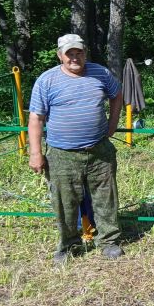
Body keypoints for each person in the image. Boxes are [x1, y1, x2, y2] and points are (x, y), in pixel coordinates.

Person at [28, 34, 125, 265]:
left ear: (85, 52)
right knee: (64, 202)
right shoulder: (47, 80)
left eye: (78, 52)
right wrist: (35, 153)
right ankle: (68, 246)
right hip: (62, 154)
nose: (74, 57)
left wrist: (112, 125)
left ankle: (109, 241)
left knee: (106, 197)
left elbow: (117, 95)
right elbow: (36, 118)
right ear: (60, 55)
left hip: (99, 150)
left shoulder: (100, 73)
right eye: (69, 53)